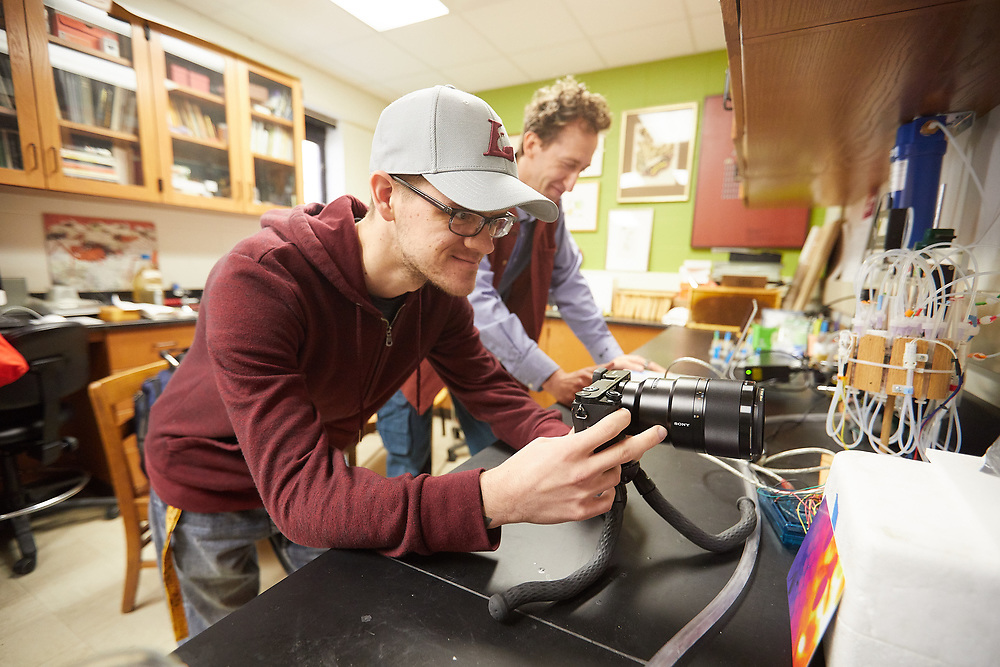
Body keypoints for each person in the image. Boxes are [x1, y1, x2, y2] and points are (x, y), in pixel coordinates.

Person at [143, 84, 666, 640]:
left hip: (315, 465)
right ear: (387, 197)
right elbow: (303, 500)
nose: (486, 244)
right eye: (464, 215)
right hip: (209, 480)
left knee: (343, 624)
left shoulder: (438, 296)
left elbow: (489, 388)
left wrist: (571, 445)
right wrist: (496, 496)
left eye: (498, 220)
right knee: (228, 642)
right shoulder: (260, 281)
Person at [378, 76, 664, 477]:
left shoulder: (550, 212)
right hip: (416, 353)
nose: (572, 182)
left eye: (582, 169)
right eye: (568, 164)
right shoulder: (476, 202)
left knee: (504, 456)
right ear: (531, 144)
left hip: (483, 357)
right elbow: (479, 302)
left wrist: (610, 356)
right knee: (409, 465)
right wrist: (550, 375)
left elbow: (570, 286)